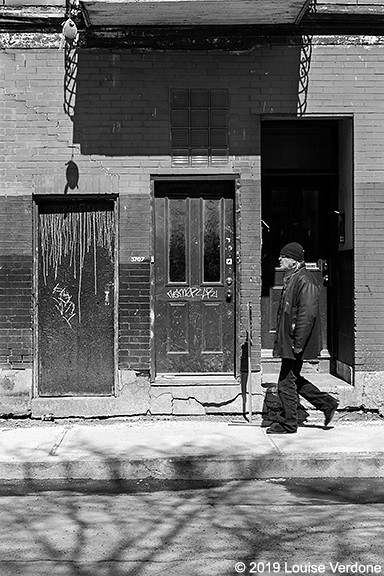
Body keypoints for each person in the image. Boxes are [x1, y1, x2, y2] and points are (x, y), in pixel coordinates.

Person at [266, 242, 339, 435]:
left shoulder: (305, 280)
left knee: (285, 383)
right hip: (291, 340)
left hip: (295, 341)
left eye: (284, 256)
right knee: (293, 378)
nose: (280, 259)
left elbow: (307, 315)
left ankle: (288, 423)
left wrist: (298, 343)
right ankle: (327, 403)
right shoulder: (294, 277)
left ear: (295, 260)